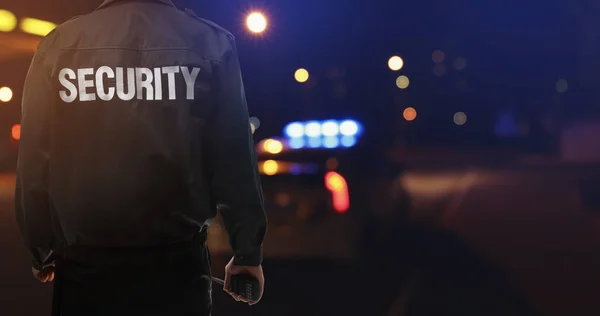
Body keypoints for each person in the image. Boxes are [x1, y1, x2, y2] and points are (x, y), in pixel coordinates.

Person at [14, 0, 267, 315]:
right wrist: (246, 253)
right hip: (177, 269)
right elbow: (233, 157)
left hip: (85, 268)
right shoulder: (210, 43)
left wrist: (41, 248)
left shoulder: (58, 45)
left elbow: (35, 161)